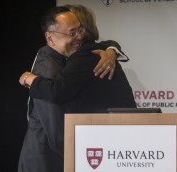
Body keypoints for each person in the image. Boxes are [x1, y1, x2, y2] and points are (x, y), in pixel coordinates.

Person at [18, 5, 130, 172]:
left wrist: (111, 50)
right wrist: (80, 159)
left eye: (80, 30)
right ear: (50, 38)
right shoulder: (49, 69)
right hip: (47, 160)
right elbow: (57, 131)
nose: (80, 36)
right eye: (73, 33)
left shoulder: (72, 57)